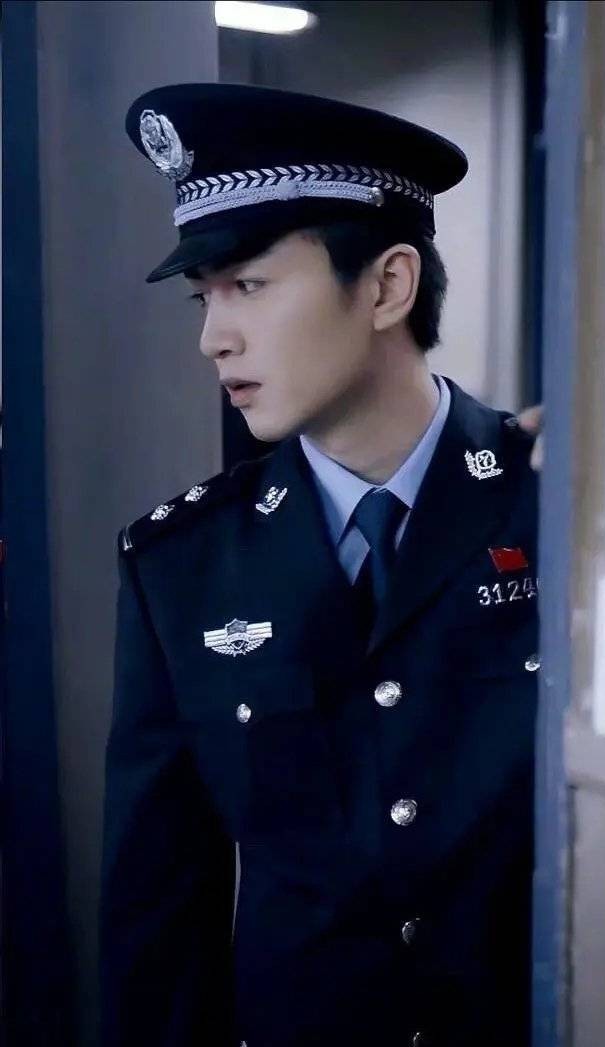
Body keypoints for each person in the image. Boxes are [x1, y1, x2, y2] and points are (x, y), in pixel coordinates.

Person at [99, 83, 540, 1047]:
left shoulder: (557, 505)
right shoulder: (182, 566)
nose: (213, 337)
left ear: (386, 286)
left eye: (250, 286)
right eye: (205, 297)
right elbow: (157, 920)